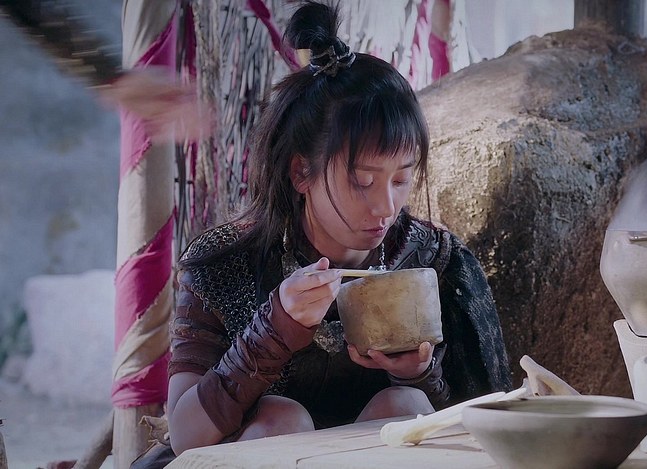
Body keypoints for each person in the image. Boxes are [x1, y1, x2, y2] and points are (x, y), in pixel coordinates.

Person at [161, 0, 512, 459]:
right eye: (362, 181)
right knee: (281, 419)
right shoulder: (226, 263)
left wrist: (417, 374)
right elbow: (185, 437)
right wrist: (275, 329)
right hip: (262, 452)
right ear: (301, 172)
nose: (386, 207)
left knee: (404, 406)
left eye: (401, 180)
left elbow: (487, 427)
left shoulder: (433, 260)